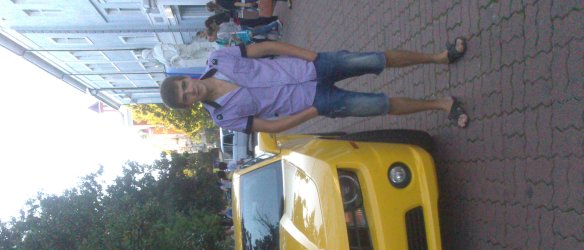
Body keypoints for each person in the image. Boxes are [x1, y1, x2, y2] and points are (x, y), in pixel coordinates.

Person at [160, 39, 470, 133]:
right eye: (185, 97)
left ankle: (439, 57)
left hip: (312, 65)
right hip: (314, 100)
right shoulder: (223, 118)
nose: (190, 91)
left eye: (185, 85)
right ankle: (442, 105)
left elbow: (266, 48)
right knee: (380, 105)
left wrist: (310, 55)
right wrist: (312, 112)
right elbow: (271, 126)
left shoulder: (218, 59)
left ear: (186, 77)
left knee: (377, 59)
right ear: (188, 105)